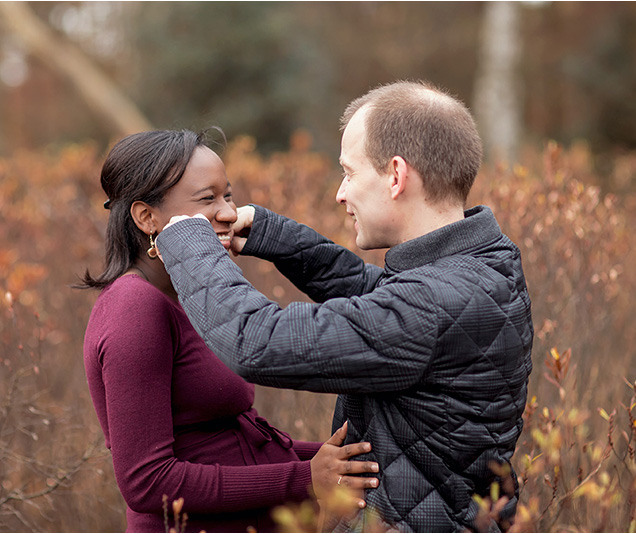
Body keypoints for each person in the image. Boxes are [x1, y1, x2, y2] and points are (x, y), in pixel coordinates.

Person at [154, 81, 534, 532]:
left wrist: (191, 244)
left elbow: (257, 342)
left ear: (396, 175)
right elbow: (379, 298)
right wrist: (276, 237)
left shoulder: (431, 303)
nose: (340, 193)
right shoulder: (484, 265)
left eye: (349, 173)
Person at [78, 129, 380, 533]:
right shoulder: (135, 307)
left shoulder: (194, 297)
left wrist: (339, 459)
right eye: (207, 199)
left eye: (228, 195)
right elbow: (147, 482)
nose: (226, 212)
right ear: (146, 217)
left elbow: (230, 442)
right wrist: (304, 476)